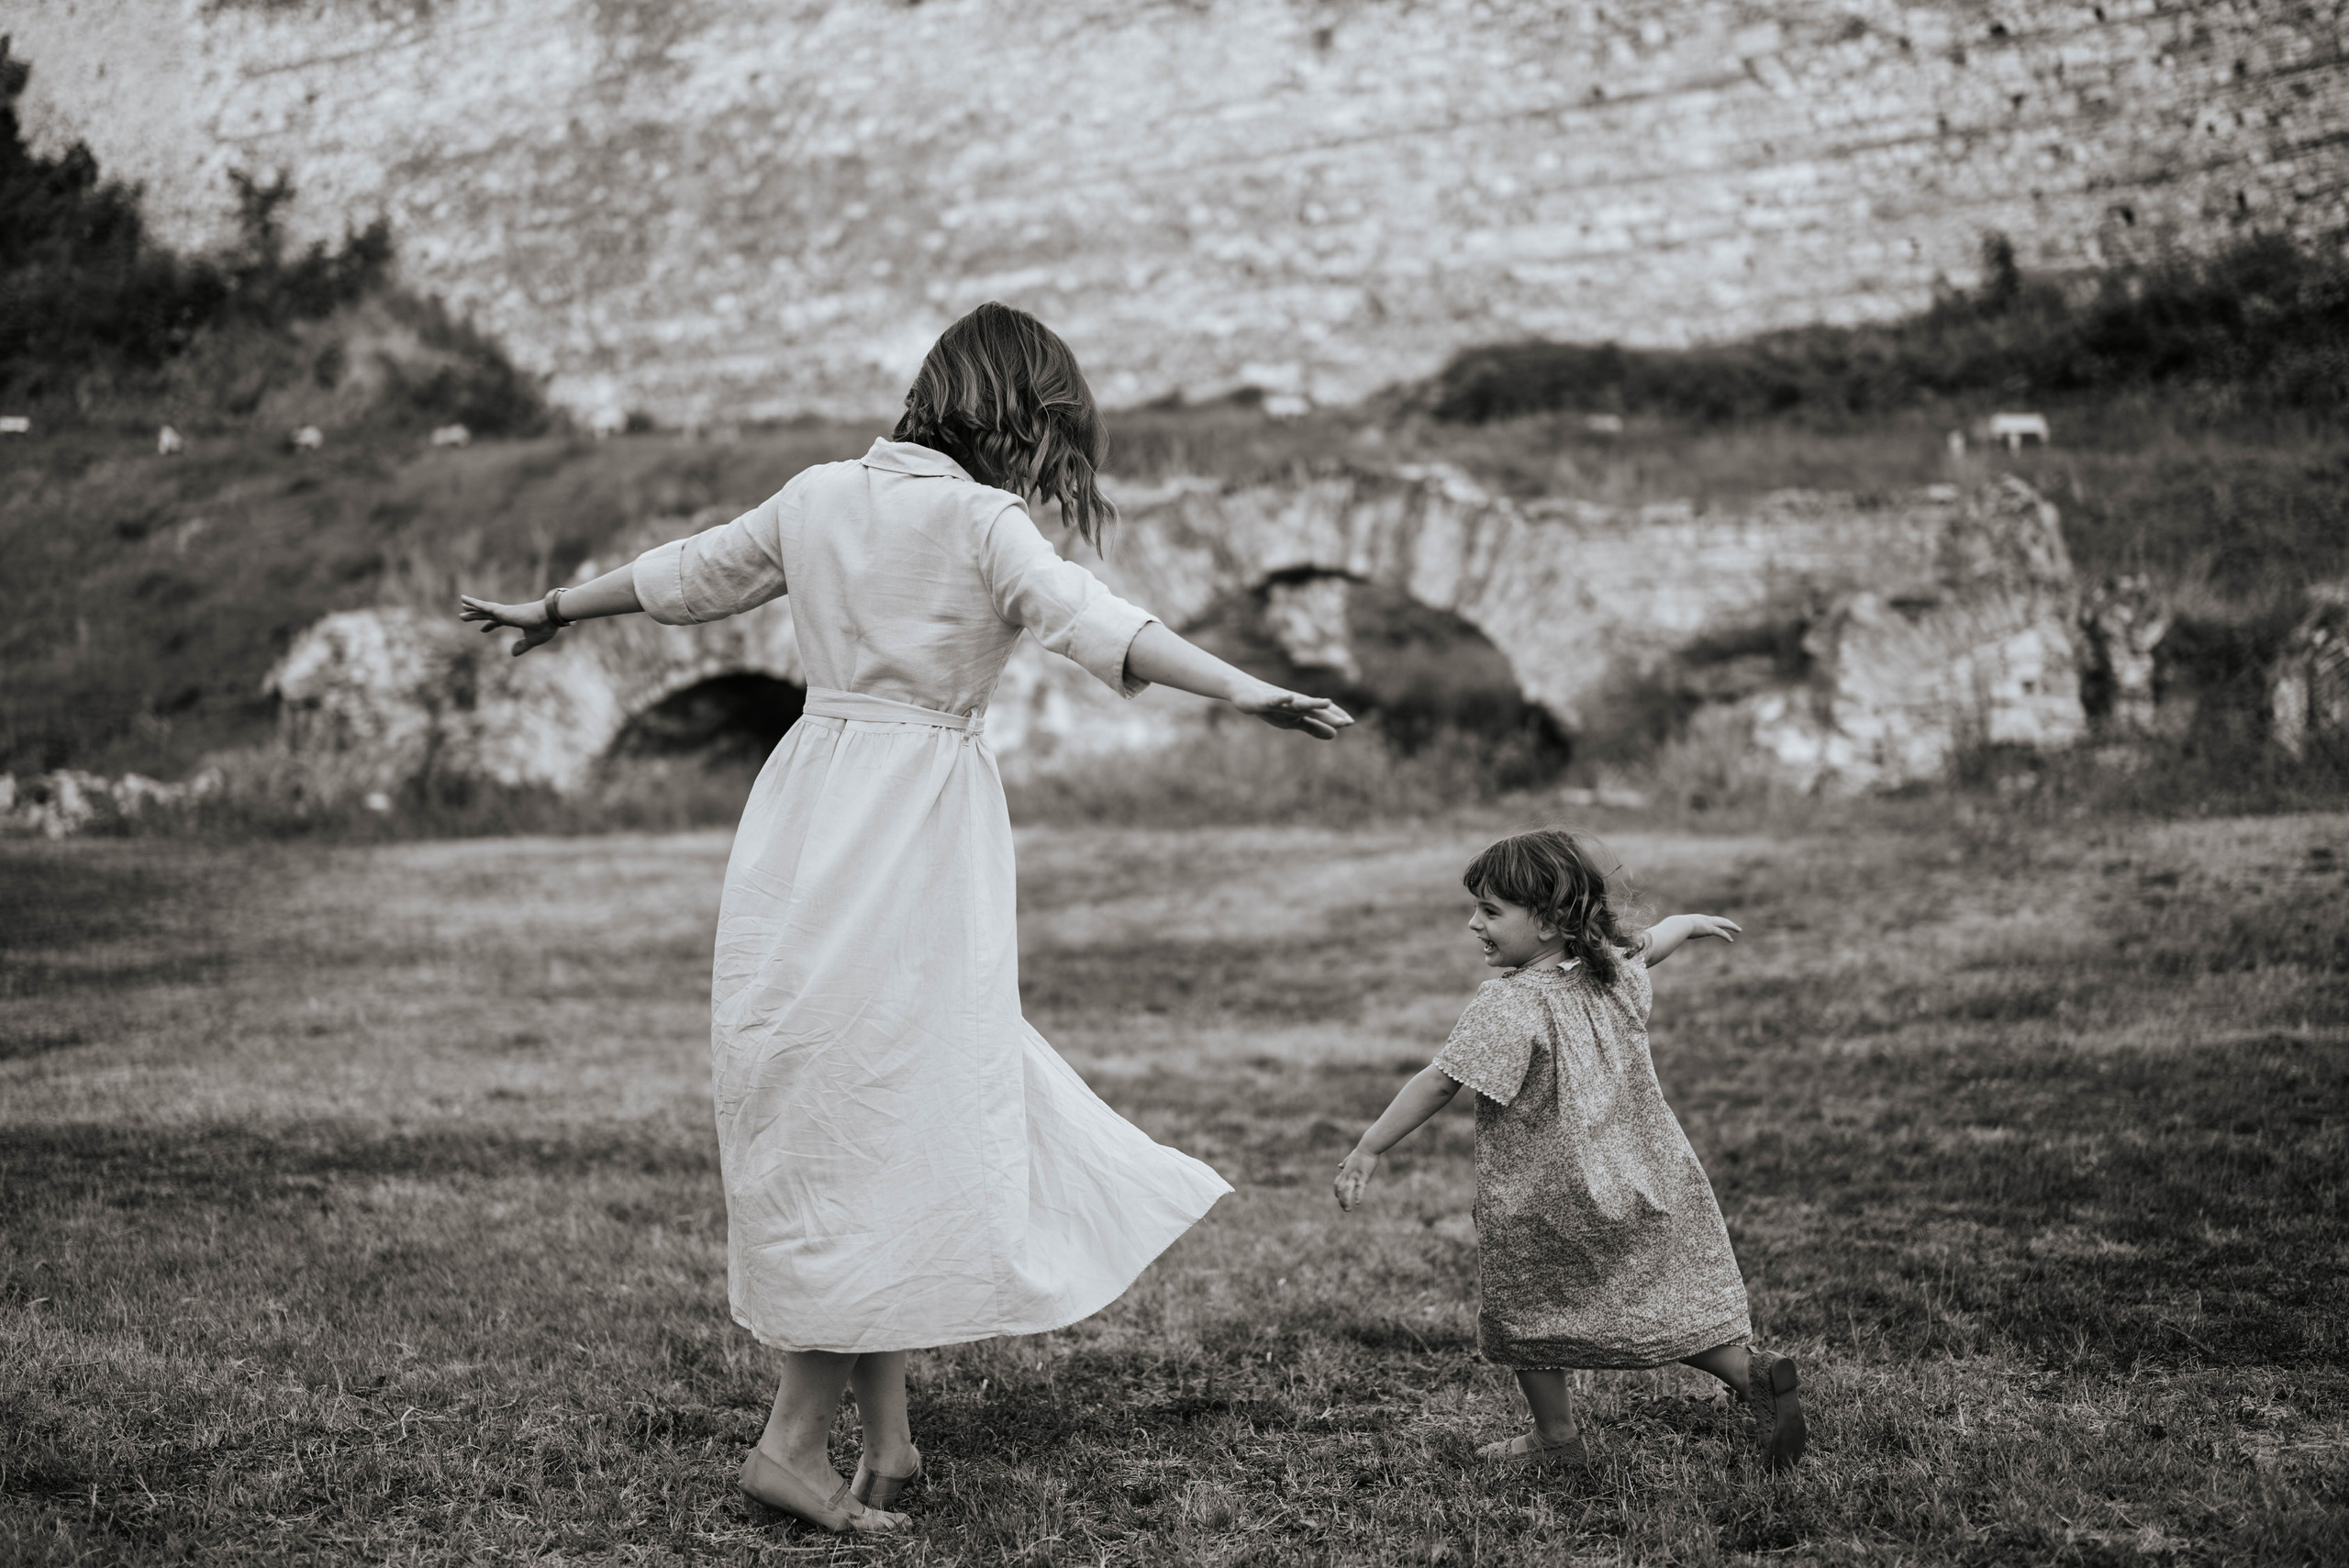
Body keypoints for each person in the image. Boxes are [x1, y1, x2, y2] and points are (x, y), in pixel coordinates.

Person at [460, 303, 1353, 1534]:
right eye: (1050, 432)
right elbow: (1101, 626)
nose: (1049, 461)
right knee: (892, 1102)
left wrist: (554, 608)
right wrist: (1250, 690)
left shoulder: (821, 493)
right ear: (1017, 416)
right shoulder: (981, 518)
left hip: (806, 814)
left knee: (861, 1097)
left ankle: (891, 1443)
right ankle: (787, 1446)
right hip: (917, 824)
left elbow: (691, 571)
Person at [1332, 828, 1805, 1472]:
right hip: (1643, 1171)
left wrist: (1370, 1147)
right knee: (1654, 1299)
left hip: (1543, 1195)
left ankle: (1556, 1438)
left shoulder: (1510, 1002)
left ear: (1552, 920)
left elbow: (1441, 1079)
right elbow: (1650, 945)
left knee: (1526, 1310)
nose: (1474, 923)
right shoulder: (1606, 967)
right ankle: (1751, 1375)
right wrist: (1687, 922)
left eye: (1491, 911)